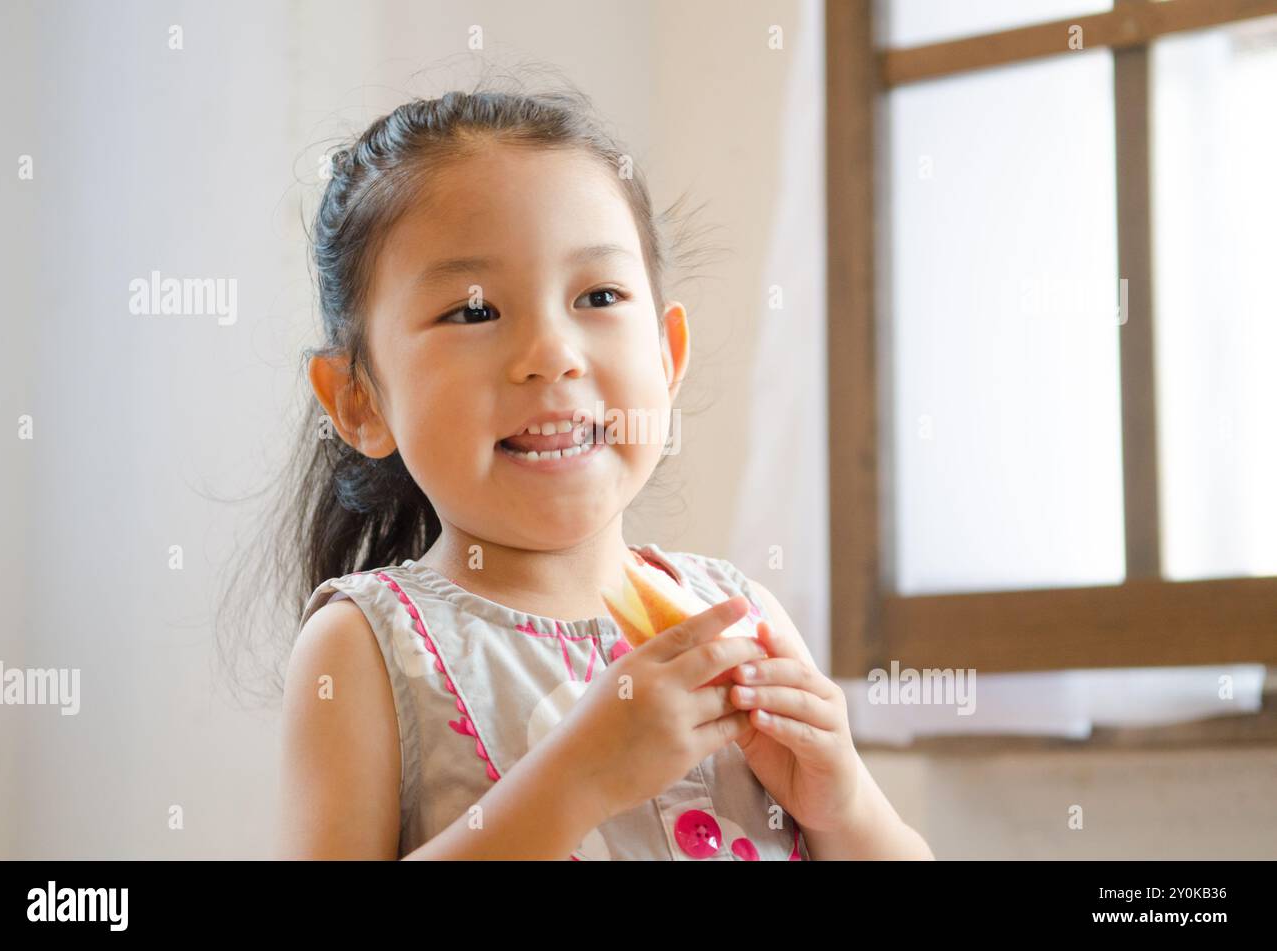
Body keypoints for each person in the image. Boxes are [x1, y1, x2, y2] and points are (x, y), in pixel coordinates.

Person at [273, 81, 933, 860]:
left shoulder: (733, 615)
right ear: (357, 400)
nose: (552, 353)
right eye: (475, 310)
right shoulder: (365, 646)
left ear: (666, 355)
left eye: (598, 294)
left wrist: (843, 802)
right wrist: (577, 779)